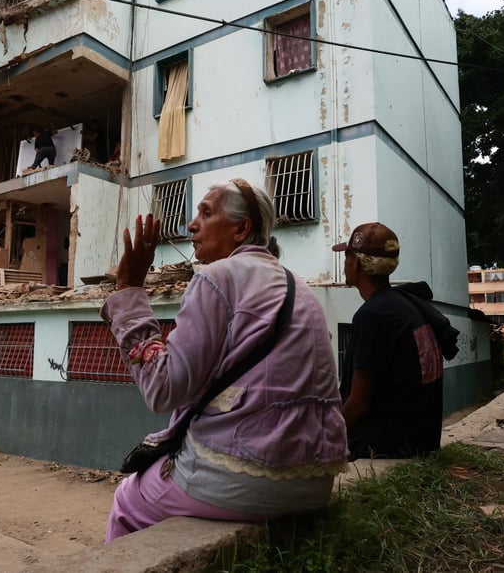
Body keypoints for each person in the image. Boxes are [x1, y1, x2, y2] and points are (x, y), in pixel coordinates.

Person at [100, 179, 348, 541]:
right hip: (316, 481)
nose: (191, 225)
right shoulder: (298, 285)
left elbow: (163, 390)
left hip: (246, 478)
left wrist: (129, 288)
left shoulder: (216, 278)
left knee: (127, 499)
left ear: (241, 228)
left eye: (206, 212)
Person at [333, 222, 444, 460]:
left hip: (389, 444)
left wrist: (324, 436)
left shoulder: (373, 315)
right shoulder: (405, 304)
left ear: (359, 263)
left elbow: (358, 404)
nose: (345, 262)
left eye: (347, 256)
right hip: (420, 438)